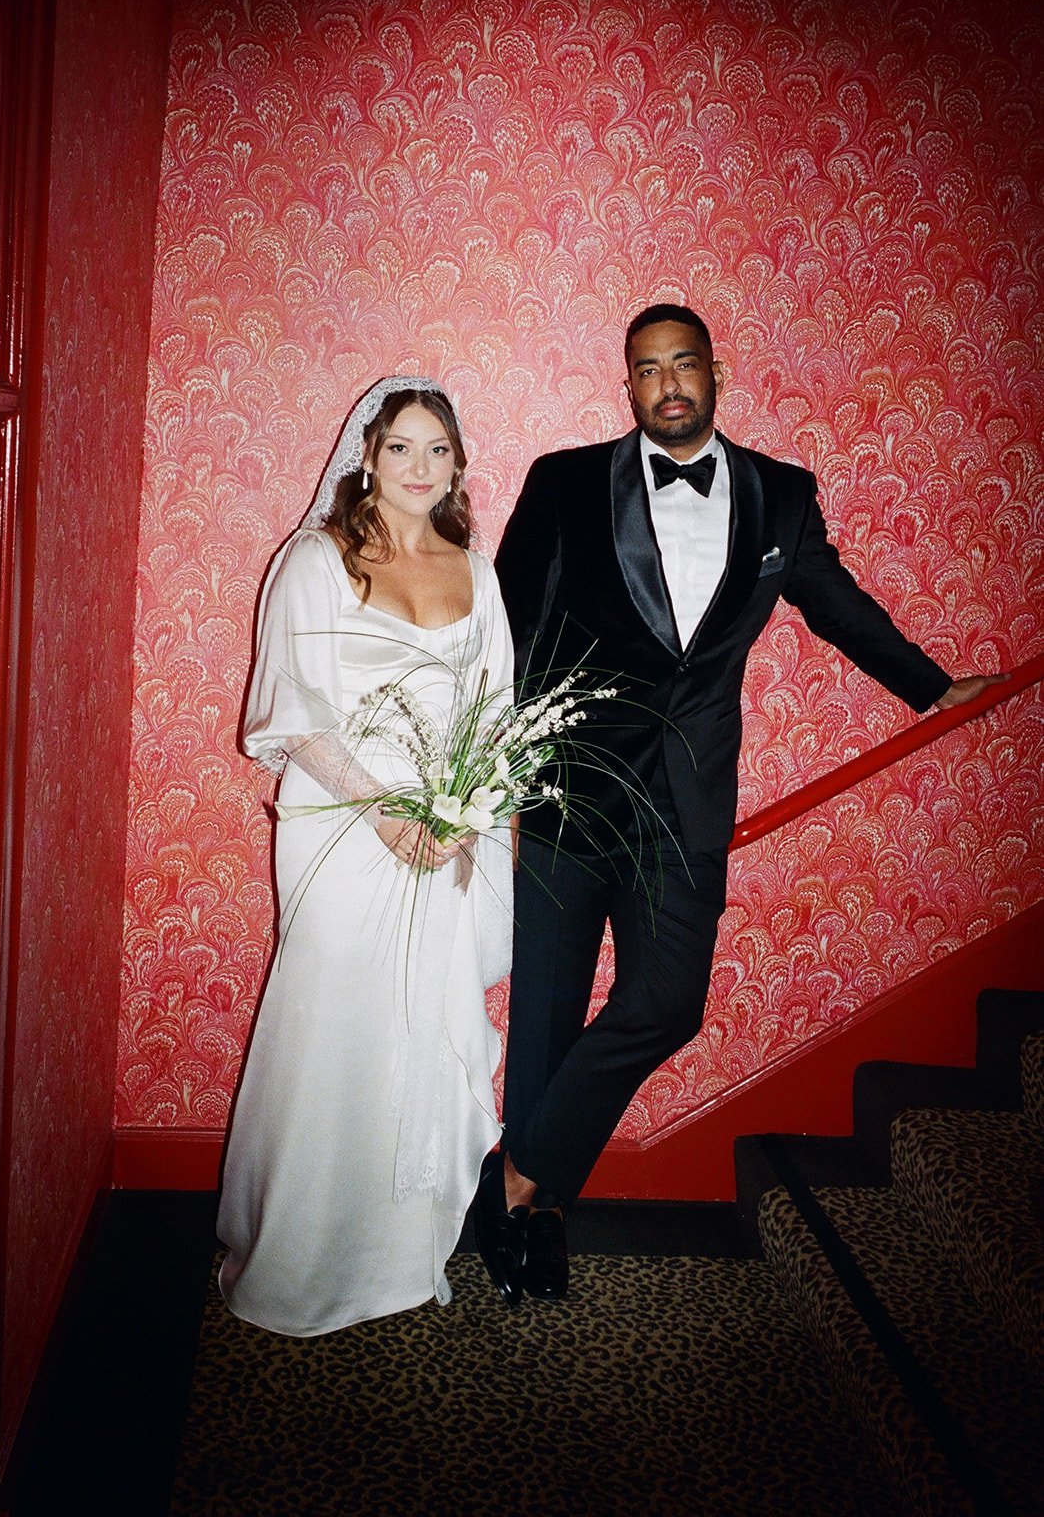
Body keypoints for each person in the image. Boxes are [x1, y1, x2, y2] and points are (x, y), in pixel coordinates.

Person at [474, 302, 1001, 1308]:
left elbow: (837, 605)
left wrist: (933, 687)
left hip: (684, 800)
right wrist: (490, 759)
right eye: (645, 369)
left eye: (682, 364)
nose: (666, 383)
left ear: (715, 371)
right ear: (625, 384)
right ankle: (538, 1217)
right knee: (545, 1013)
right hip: (567, 786)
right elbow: (506, 618)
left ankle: (508, 1176)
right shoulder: (566, 481)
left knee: (669, 1001)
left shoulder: (780, 496)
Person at [217, 376, 514, 1334]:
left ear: (459, 463)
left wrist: (466, 813)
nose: (421, 469)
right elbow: (294, 712)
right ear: (367, 456)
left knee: (419, 1030)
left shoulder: (478, 568)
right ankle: (297, 1256)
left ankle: (400, 1249)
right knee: (336, 1025)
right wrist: (386, 810)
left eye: (438, 450)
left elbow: (495, 710)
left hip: (443, 828)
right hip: (345, 825)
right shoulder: (316, 559)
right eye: (402, 448)